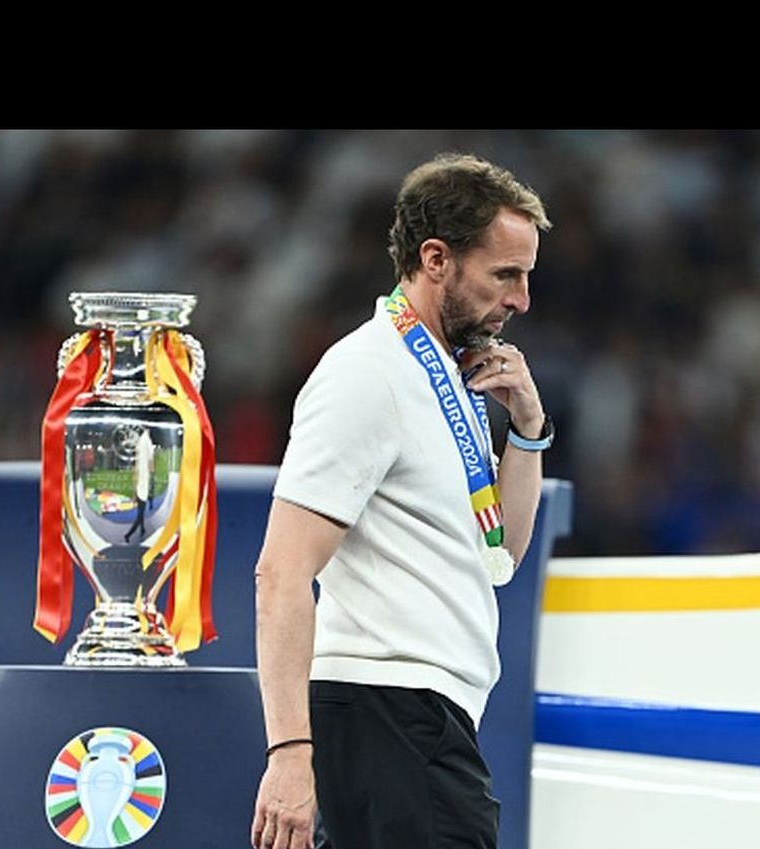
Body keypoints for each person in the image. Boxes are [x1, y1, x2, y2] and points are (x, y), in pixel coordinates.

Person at [251, 152, 553, 849]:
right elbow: (282, 570)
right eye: (505, 275)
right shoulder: (367, 373)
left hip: (423, 717)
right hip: (386, 710)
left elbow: (500, 550)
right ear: (436, 258)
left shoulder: (450, 374)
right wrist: (290, 754)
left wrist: (529, 432)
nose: (521, 300)